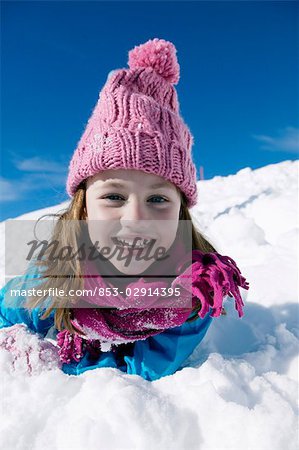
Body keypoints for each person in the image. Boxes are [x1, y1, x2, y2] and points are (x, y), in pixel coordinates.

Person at [0, 38, 249, 381]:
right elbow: (4, 313)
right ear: (84, 208)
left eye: (158, 199)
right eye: (114, 197)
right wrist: (15, 343)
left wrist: (61, 367)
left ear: (179, 213)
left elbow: (141, 374)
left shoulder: (191, 292)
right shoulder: (53, 277)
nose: (135, 218)